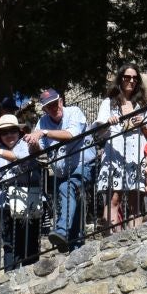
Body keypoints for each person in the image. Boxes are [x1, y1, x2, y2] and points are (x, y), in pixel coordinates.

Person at [31, 89, 93, 251]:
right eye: (48, 106)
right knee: (73, 204)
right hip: (63, 173)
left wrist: (43, 133)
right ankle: (75, 248)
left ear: (61, 101)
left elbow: (72, 134)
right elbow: (39, 152)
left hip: (84, 164)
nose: (52, 108)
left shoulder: (74, 112)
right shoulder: (43, 122)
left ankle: (61, 231)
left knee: (67, 188)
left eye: (54, 103)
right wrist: (33, 143)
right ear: (44, 109)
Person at [0, 116, 43, 272]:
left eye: (12, 131)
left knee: (29, 240)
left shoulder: (25, 144)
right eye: (4, 132)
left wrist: (0, 152)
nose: (9, 135)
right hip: (5, 200)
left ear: (19, 131)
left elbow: (24, 158)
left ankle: (31, 276)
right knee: (9, 243)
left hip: (26, 194)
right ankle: (11, 279)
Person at [95, 66, 147, 230]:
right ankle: (113, 240)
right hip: (115, 153)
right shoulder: (109, 103)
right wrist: (108, 123)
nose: (131, 81)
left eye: (135, 78)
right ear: (120, 79)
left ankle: (134, 240)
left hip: (136, 154)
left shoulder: (142, 104)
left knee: (136, 200)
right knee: (113, 199)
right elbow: (99, 133)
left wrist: (142, 125)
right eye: (127, 77)